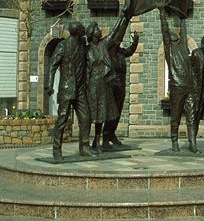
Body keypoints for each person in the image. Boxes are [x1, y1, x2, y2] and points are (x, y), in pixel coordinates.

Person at [45, 21, 92, 160]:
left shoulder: (83, 45)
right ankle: (56, 150)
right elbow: (52, 65)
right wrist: (49, 85)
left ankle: (84, 148)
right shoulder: (63, 46)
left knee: (85, 118)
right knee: (62, 119)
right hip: (67, 88)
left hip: (80, 89)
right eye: (82, 28)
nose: (84, 30)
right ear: (77, 31)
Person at [86, 14, 130, 153]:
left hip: (104, 84)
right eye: (97, 28)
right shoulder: (87, 50)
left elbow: (114, 32)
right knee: (92, 115)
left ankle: (97, 140)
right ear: (92, 33)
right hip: (92, 86)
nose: (100, 30)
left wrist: (123, 17)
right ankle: (87, 142)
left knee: (102, 115)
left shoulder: (103, 44)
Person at [159, 7, 199, 153]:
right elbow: (164, 30)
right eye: (170, 34)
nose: (173, 34)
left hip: (189, 87)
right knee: (175, 116)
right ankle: (174, 142)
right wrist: (162, 13)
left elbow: (184, 29)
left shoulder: (183, 46)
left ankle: (192, 144)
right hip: (176, 87)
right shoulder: (169, 50)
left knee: (192, 117)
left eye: (174, 34)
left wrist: (183, 12)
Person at [102, 30, 140, 148]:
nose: (119, 42)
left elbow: (129, 51)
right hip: (111, 87)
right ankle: (105, 137)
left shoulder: (120, 53)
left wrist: (135, 42)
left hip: (120, 87)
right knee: (111, 113)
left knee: (118, 112)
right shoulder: (106, 53)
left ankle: (112, 134)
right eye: (118, 41)